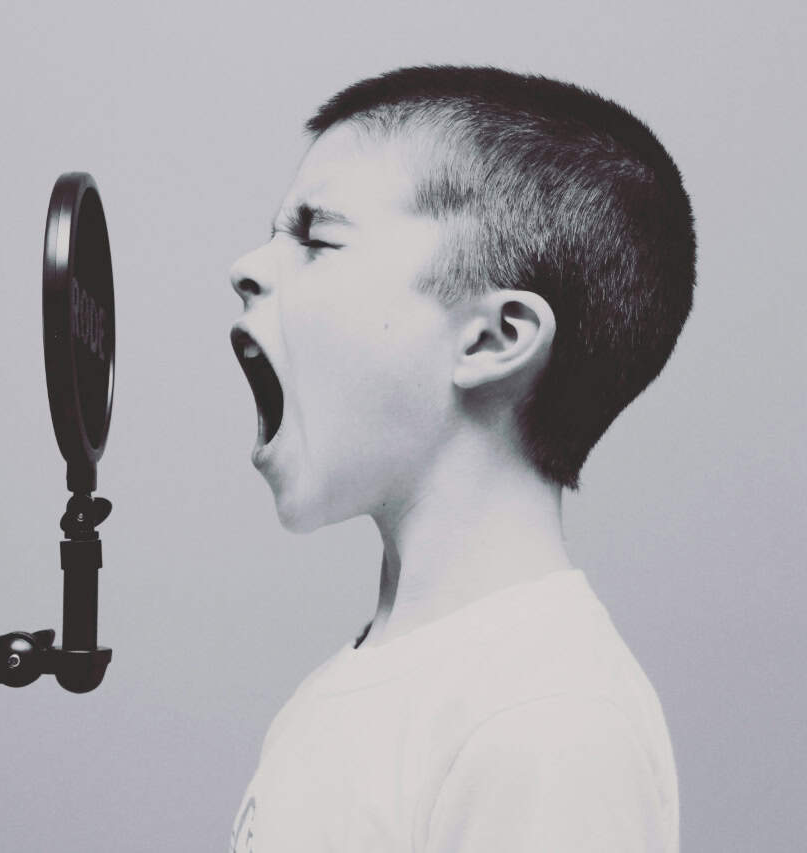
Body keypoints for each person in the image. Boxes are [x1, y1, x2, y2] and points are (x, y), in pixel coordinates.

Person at [227, 66, 693, 853]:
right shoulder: (352, 687)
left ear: (493, 337)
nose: (247, 267)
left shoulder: (548, 722)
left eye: (315, 236)